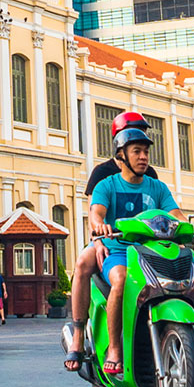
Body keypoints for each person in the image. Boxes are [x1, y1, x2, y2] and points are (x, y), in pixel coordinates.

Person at [62, 107, 149, 371]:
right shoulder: (103, 174)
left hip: (142, 247)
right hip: (106, 241)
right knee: (82, 264)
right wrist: (99, 239)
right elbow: (95, 213)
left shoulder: (150, 175)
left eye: (143, 138)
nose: (141, 148)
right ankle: (77, 335)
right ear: (120, 143)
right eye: (134, 139)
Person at [87, 125, 177, 378]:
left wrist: (193, 227)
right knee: (121, 280)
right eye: (136, 151)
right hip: (117, 251)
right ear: (121, 157)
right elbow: (96, 212)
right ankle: (115, 349)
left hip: (150, 252)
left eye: (146, 151)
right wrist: (99, 226)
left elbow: (174, 213)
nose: (143, 157)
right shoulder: (106, 185)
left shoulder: (157, 187)